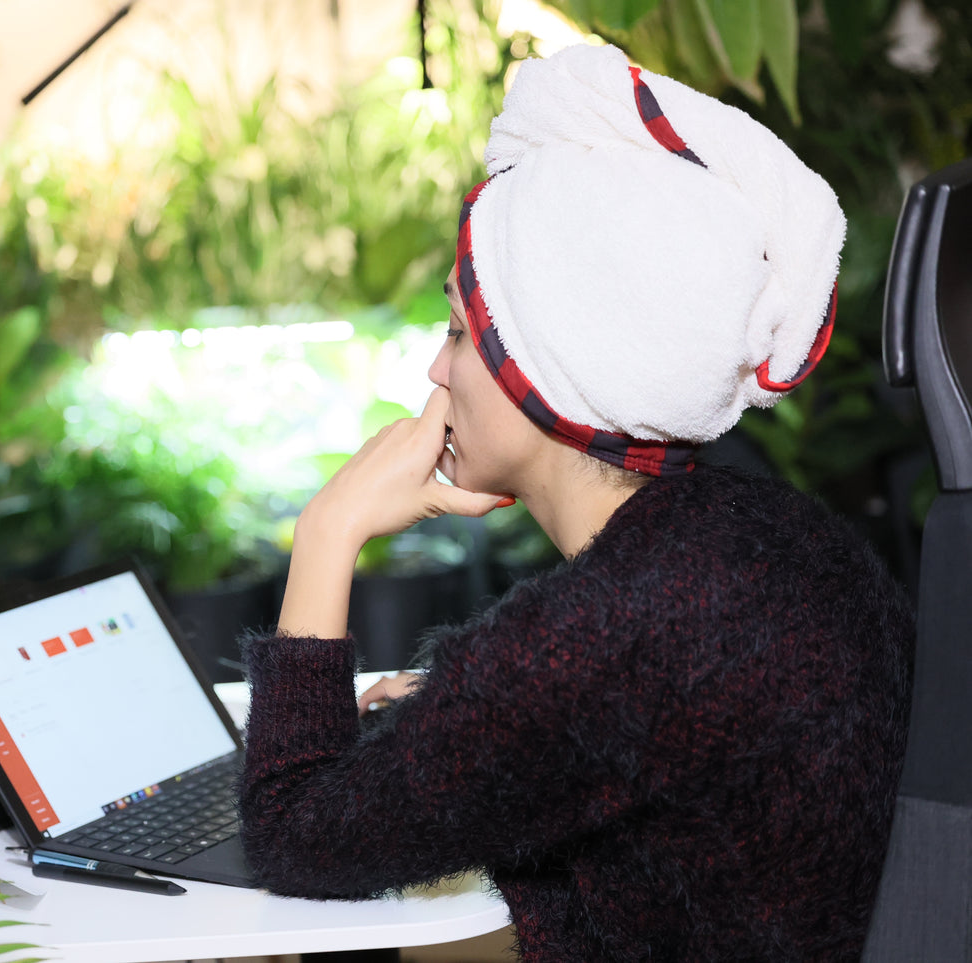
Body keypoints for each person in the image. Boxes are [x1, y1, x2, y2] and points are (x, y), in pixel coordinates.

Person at [236, 43, 913, 962]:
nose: (435, 370)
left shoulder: (609, 628)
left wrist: (327, 529)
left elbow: (289, 832)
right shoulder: (777, 538)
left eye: (457, 332)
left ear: (542, 365)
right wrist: (456, 718)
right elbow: (635, 755)